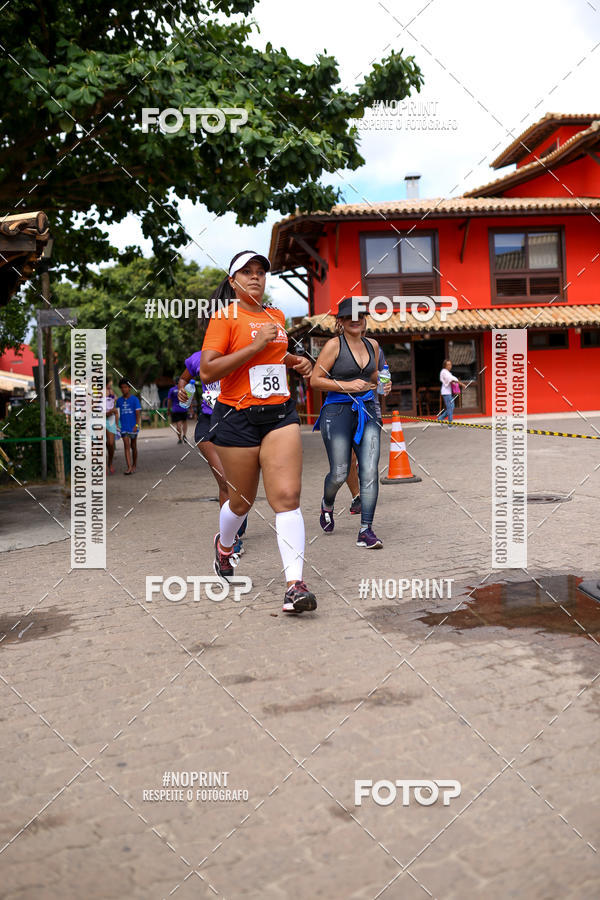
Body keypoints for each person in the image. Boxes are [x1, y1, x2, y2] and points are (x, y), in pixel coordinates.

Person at [199, 250, 316, 614]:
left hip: (280, 414)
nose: (255, 278)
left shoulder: (275, 316)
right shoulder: (224, 318)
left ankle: (294, 586)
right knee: (241, 502)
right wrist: (255, 345)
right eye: (246, 273)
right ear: (233, 282)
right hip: (237, 418)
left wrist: (296, 361)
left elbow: (273, 356)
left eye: (261, 272)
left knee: (287, 496)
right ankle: (224, 546)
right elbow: (208, 371)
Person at [310, 297, 384, 549]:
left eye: (360, 316)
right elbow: (315, 380)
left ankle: (366, 530)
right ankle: (327, 504)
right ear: (340, 321)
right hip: (337, 411)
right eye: (350, 316)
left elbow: (376, 373)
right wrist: (347, 385)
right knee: (341, 471)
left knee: (370, 470)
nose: (356, 320)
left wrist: (384, 382)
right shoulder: (333, 346)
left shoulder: (372, 345)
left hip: (368, 410)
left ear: (364, 321)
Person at [344, 345, 391, 517]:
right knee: (347, 458)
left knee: (369, 460)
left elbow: (383, 377)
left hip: (370, 409)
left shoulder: (375, 348)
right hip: (342, 410)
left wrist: (384, 386)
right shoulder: (337, 347)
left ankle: (367, 520)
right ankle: (357, 496)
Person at [116, 378, 142, 474]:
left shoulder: (135, 400)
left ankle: (134, 464)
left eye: (126, 387)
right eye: (122, 388)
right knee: (126, 445)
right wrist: (117, 425)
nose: (124, 389)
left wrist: (136, 425)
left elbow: (138, 414)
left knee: (133, 446)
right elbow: (117, 414)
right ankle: (129, 467)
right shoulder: (118, 401)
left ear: (129, 388)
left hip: (133, 427)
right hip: (123, 427)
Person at [437, 359, 467, 427]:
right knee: (450, 408)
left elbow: (453, 378)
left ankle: (440, 418)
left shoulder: (447, 372)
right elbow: (451, 379)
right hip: (446, 393)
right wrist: (461, 384)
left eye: (450, 364)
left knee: (451, 407)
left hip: (448, 392)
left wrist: (459, 383)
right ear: (444, 365)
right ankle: (450, 424)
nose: (450, 366)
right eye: (448, 364)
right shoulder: (444, 372)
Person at [167, 377, 189, 444]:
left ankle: (179, 439)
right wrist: (190, 408)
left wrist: (168, 409)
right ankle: (184, 435)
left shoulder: (172, 390)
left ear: (174, 382)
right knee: (184, 422)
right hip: (184, 408)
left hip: (175, 409)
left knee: (178, 423)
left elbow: (169, 400)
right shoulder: (184, 389)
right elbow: (188, 399)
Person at [105, 377, 119, 475]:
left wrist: (112, 410)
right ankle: (104, 466)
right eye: (110, 383)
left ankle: (110, 463)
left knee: (110, 443)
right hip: (100, 418)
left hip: (110, 419)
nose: (110, 384)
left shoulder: (111, 392)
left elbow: (114, 404)